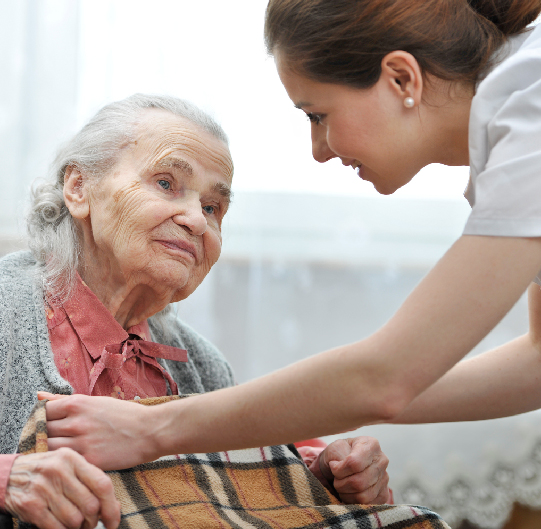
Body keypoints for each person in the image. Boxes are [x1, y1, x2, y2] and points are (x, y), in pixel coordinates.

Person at [44, 0, 541, 489]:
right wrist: (309, 432)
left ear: (402, 80)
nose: (318, 151)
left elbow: (384, 379)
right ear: (78, 188)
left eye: (317, 115)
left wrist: (152, 429)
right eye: (166, 184)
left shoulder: (530, 119)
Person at [0, 93, 390, 529]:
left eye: (212, 208)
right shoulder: (7, 307)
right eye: (166, 183)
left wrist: (323, 476)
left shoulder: (201, 365)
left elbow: (223, 497)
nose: (197, 220)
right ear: (79, 187)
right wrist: (8, 478)